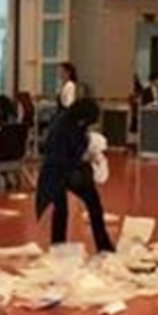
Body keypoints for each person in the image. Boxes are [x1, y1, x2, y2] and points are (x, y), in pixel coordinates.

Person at [36, 98, 114, 253]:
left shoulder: (77, 124)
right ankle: (58, 247)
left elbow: (80, 144)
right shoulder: (61, 128)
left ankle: (103, 246)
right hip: (56, 171)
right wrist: (79, 161)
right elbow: (58, 156)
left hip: (72, 167)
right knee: (62, 209)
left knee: (93, 203)